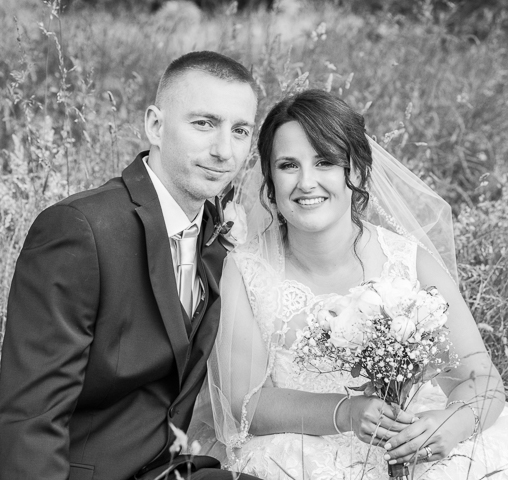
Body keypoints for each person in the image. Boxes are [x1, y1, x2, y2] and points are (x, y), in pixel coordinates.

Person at [0, 51, 261, 480]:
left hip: (165, 467)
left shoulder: (217, 234)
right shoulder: (80, 229)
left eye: (240, 131)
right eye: (204, 123)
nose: (224, 151)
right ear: (155, 126)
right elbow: (32, 415)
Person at [207, 89, 508, 479]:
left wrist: (450, 425)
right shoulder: (246, 271)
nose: (306, 182)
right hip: (302, 450)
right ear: (270, 180)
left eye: (325, 162)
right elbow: (244, 405)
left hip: (414, 439)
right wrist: (346, 412)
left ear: (358, 173)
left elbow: (481, 379)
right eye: (288, 165)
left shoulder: (409, 262)